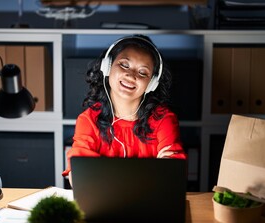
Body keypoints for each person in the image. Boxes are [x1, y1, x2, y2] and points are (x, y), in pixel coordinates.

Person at [62, 35, 187, 184]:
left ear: (151, 83)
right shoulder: (89, 119)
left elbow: (172, 175)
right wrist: (152, 171)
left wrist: (103, 174)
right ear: (107, 67)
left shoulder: (163, 119)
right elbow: (79, 177)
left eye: (142, 72)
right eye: (124, 65)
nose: (131, 75)